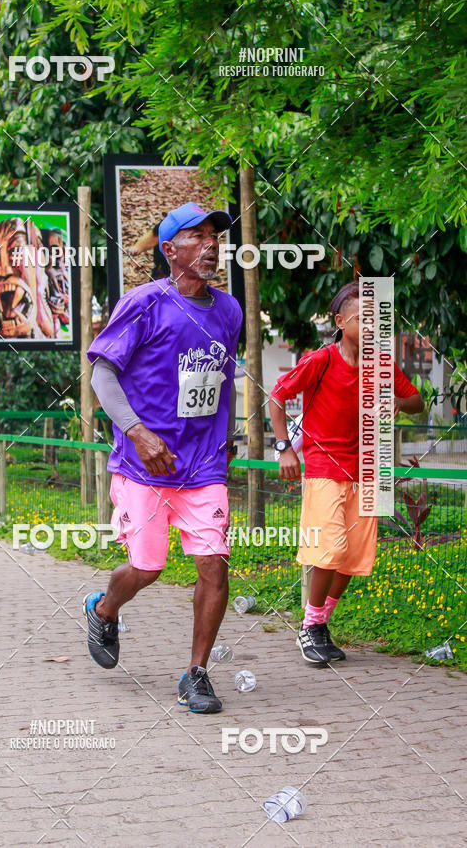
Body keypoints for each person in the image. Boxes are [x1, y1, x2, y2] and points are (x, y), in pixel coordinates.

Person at [84, 202, 243, 713]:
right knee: (148, 567)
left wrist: (229, 438)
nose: (211, 245)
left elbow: (224, 381)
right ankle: (105, 609)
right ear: (169, 250)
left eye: (214, 236)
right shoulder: (142, 303)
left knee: (214, 566)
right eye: (196, 237)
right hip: (144, 465)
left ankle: (196, 673)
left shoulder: (229, 311)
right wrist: (137, 432)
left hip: (202, 465)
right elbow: (101, 376)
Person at [268, 281, 424, 665]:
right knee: (330, 548)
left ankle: (320, 623)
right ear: (340, 321)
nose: (370, 324)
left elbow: (418, 402)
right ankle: (309, 626)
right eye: (361, 317)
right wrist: (283, 448)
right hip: (324, 467)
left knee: (353, 557)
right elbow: (276, 397)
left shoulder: (381, 363)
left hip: (369, 469)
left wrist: (397, 404)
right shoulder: (320, 360)